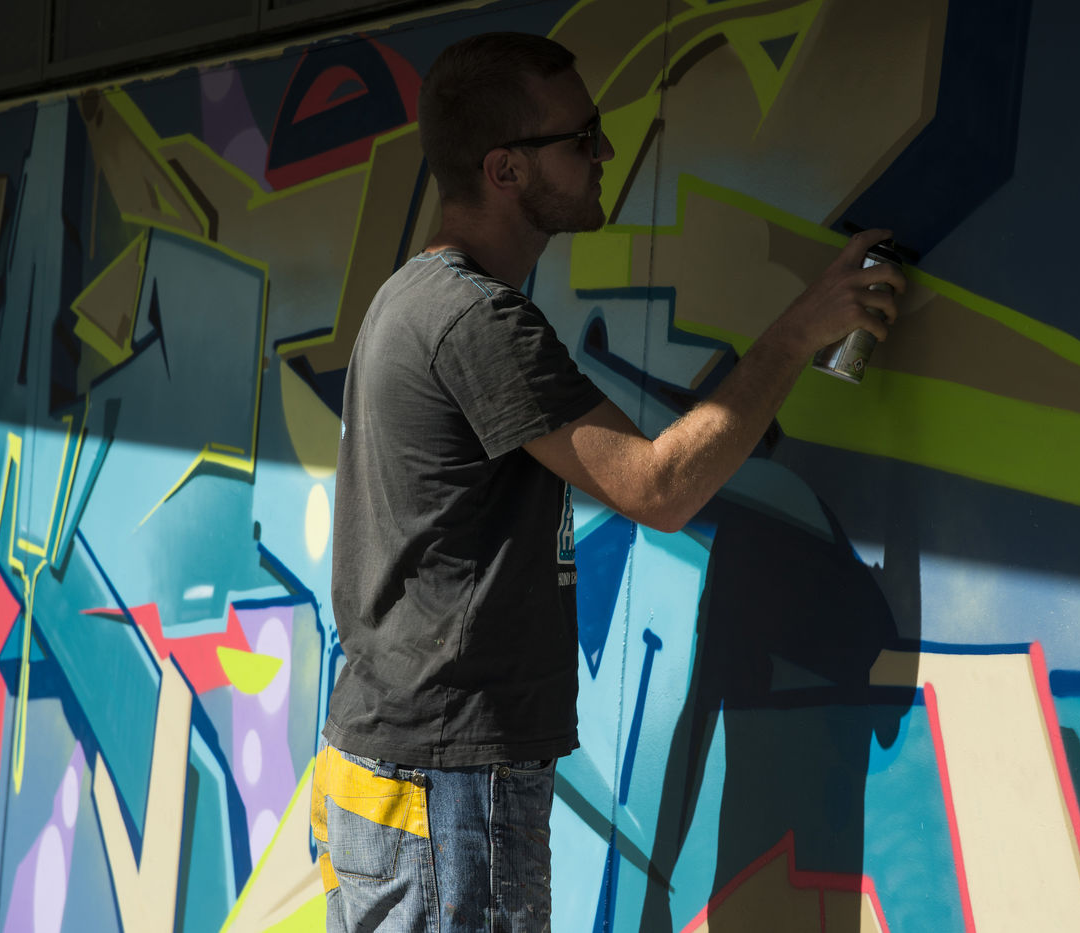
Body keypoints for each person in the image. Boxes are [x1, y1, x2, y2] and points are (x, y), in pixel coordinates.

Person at [311, 30, 904, 933]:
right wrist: (796, 332)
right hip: (447, 789)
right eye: (582, 137)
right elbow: (658, 487)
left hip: (405, 775)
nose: (607, 151)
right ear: (506, 169)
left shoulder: (409, 300)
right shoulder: (477, 320)